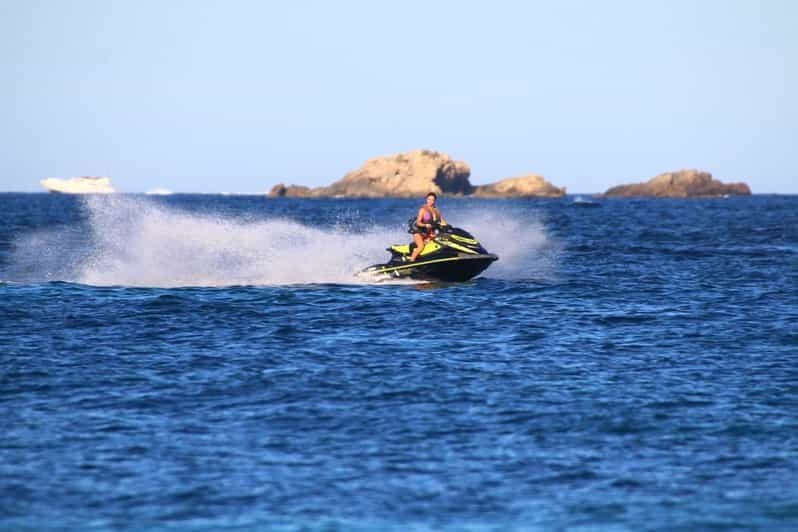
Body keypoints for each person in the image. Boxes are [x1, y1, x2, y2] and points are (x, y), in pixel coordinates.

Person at [408, 192, 447, 261]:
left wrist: (448, 227)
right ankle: (411, 260)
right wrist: (425, 225)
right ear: (426, 199)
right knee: (421, 246)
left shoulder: (437, 211)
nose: (430, 201)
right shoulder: (423, 210)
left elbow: (442, 221)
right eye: (429, 199)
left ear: (435, 201)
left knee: (440, 241)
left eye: (432, 200)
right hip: (419, 233)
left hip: (429, 234)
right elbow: (418, 222)